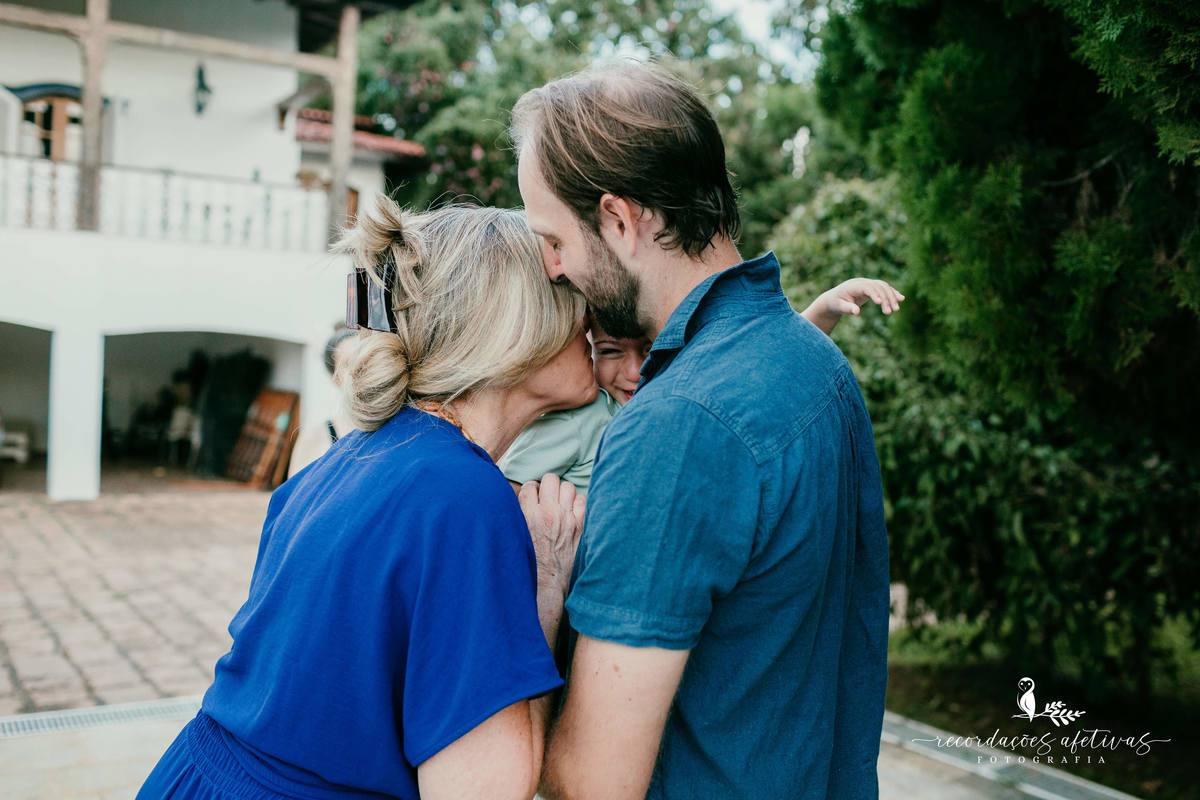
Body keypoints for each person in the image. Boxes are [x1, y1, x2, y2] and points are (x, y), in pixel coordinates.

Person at [511, 59, 892, 799]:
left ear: (620, 220)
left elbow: (591, 782)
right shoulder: (814, 361)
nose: (552, 269)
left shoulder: (677, 426)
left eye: (552, 238)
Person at [137, 201, 593, 800]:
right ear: (519, 329)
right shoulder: (464, 498)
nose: (592, 319)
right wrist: (548, 587)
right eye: (569, 294)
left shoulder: (346, 460)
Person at [500, 278, 903, 495]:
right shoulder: (582, 418)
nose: (635, 371)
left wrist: (822, 311)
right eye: (610, 352)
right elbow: (505, 494)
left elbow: (761, 369)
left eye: (651, 348)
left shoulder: (683, 392)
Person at [286, 325, 356, 476]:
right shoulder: (315, 437)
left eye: (366, 359)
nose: (360, 368)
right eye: (348, 363)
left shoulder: (395, 430)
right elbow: (296, 496)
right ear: (335, 378)